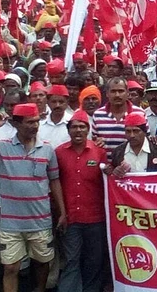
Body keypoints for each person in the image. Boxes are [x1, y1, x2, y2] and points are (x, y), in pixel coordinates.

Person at [0, 104, 66, 292]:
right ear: (16, 124)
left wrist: (62, 212)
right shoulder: (2, 146)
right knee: (10, 268)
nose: (35, 126)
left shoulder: (47, 149)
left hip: (40, 221)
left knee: (41, 263)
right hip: (11, 224)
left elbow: (54, 181)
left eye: (37, 121)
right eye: (30, 122)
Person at [55, 109, 108, 292]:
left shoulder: (100, 151)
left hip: (96, 218)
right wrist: (61, 213)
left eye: (82, 127)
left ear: (88, 130)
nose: (78, 130)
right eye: (74, 127)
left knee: (94, 260)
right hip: (70, 218)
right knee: (71, 260)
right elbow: (55, 183)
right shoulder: (59, 152)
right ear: (68, 130)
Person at [92, 77, 144, 157]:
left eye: (121, 91)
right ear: (107, 94)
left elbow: (145, 141)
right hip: (105, 166)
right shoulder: (97, 115)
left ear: (127, 93)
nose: (117, 95)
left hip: (132, 165)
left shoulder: (140, 113)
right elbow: (94, 142)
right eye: (113, 91)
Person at [38, 84, 72, 149]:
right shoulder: (40, 124)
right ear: (47, 102)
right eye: (54, 102)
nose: (57, 105)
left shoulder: (73, 122)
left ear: (67, 102)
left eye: (61, 102)